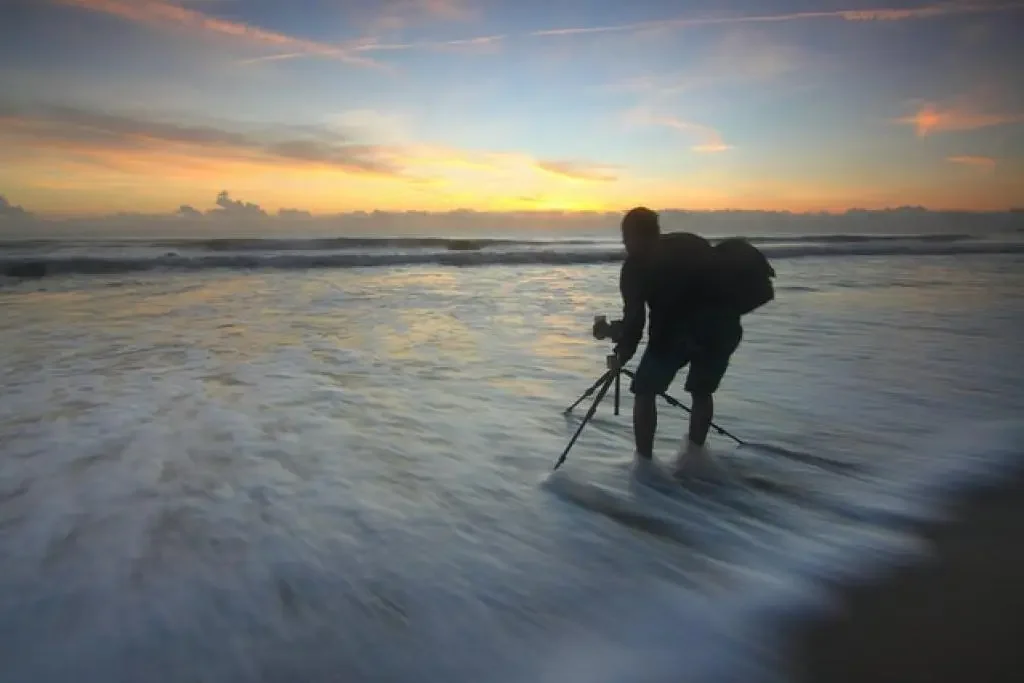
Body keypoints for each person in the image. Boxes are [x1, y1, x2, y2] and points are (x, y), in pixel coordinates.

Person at [608, 206, 743, 479]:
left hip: (677, 332)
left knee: (645, 391)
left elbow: (635, 321)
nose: (624, 244)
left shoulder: (635, 267)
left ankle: (644, 466)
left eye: (626, 237)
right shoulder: (689, 242)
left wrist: (621, 353)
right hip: (723, 328)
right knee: (702, 392)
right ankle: (696, 458)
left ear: (637, 237)